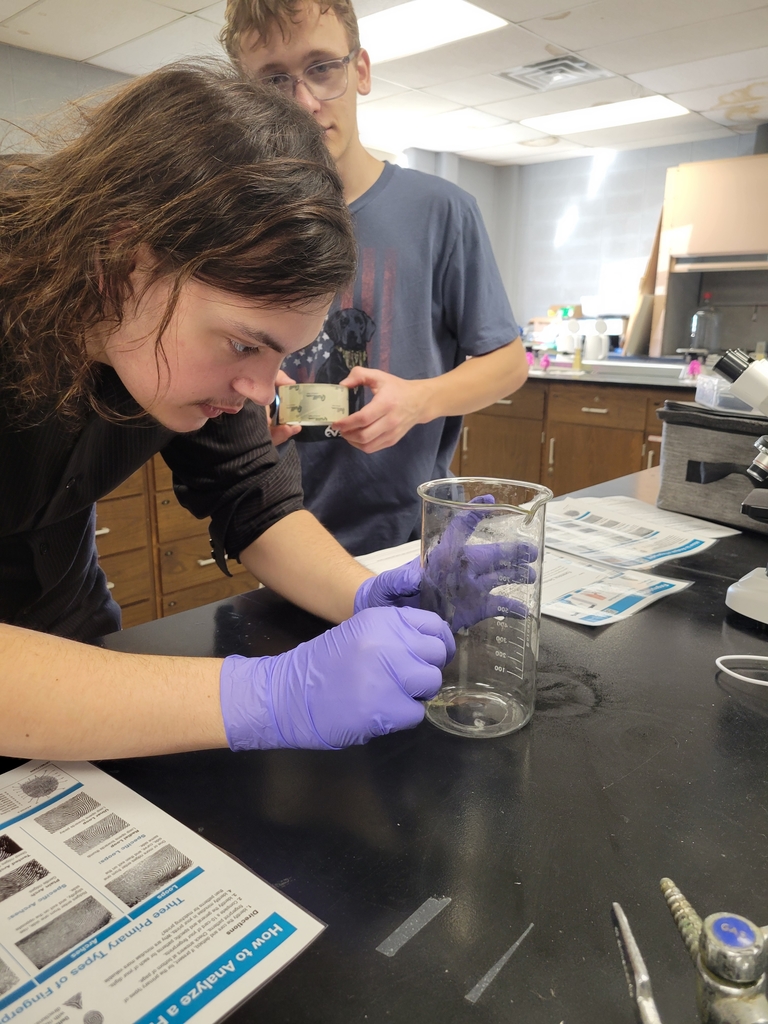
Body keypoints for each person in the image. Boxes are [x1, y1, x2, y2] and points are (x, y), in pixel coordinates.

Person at [0, 61, 469, 762]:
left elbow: (253, 494)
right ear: (121, 258)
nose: (260, 389)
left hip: (77, 653)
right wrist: (267, 695)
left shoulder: (174, 318)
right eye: (245, 344)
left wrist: (368, 595)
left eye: (276, 352)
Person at [223, 0, 529, 556]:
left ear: (359, 70)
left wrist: (419, 400)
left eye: (322, 67)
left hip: (413, 537)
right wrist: (246, 408)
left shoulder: (440, 209)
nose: (305, 102)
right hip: (284, 536)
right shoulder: (235, 226)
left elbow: (508, 363)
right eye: (273, 80)